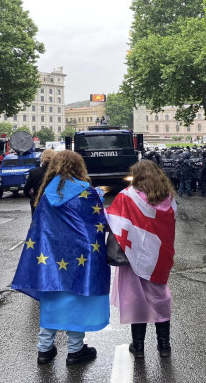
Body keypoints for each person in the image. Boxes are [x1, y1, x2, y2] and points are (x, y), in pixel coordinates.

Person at [11, 150, 110, 366]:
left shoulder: (46, 193)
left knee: (52, 299)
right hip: (81, 256)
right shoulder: (86, 192)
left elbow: (41, 228)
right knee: (77, 299)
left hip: (51, 257)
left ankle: (44, 350)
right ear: (78, 166)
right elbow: (98, 224)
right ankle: (75, 351)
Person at [106, 160, 176, 360]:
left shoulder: (126, 197)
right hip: (159, 256)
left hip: (133, 257)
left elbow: (112, 220)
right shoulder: (168, 198)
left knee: (136, 299)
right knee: (160, 297)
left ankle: (138, 347)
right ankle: (164, 346)